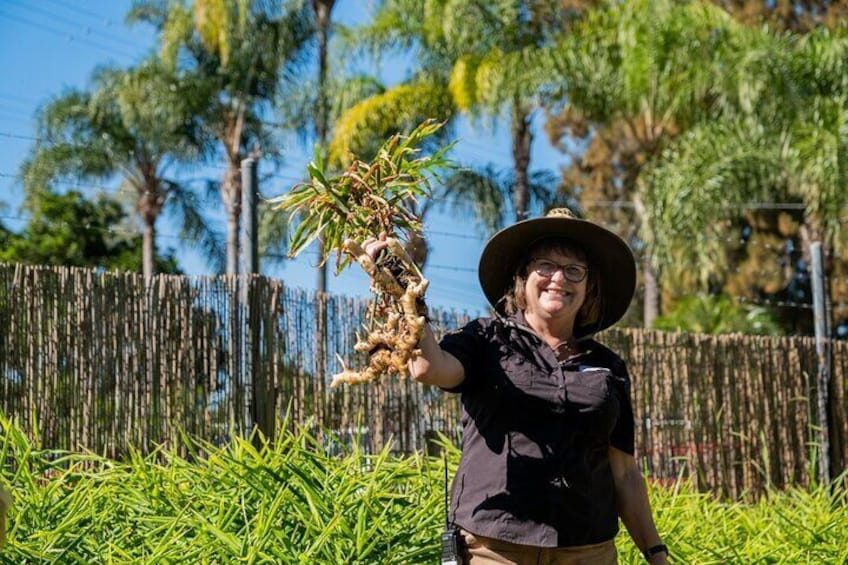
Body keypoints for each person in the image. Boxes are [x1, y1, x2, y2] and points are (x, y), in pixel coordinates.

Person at [367, 207, 668, 564]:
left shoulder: (607, 367)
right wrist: (404, 289)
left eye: (574, 270)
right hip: (495, 548)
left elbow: (625, 473)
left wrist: (656, 554)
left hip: (587, 550)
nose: (559, 278)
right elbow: (430, 368)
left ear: (589, 288)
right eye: (545, 266)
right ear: (522, 278)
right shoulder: (485, 339)